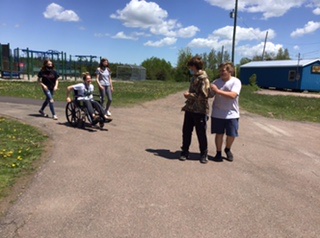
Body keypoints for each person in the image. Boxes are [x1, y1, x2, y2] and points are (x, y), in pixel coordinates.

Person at [180, 56, 211, 164]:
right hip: (190, 109)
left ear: (194, 66)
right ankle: (184, 151)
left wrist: (190, 95)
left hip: (200, 110)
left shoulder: (204, 78)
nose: (190, 69)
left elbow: (204, 95)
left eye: (190, 67)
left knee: (201, 133)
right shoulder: (194, 77)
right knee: (186, 131)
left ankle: (203, 153)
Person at [210, 62, 242, 162]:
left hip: (232, 113)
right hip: (217, 113)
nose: (221, 72)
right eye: (220, 70)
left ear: (230, 71)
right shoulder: (216, 82)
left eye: (224, 70)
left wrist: (218, 91)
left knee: (231, 134)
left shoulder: (236, 81)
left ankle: (227, 149)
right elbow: (210, 95)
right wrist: (207, 89)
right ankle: (218, 153)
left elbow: (233, 95)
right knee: (218, 134)